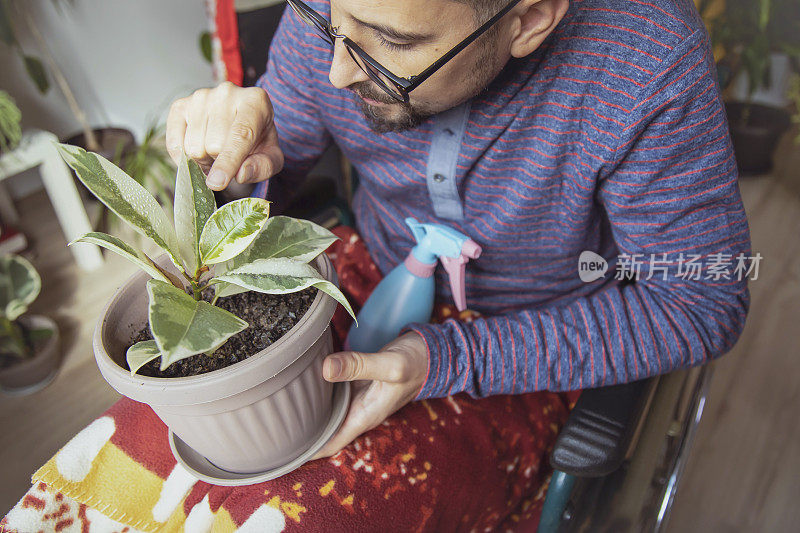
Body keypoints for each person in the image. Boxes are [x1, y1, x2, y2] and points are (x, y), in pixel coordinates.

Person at [166, 0, 749, 514]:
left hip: (535, 344)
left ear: (530, 19)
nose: (338, 71)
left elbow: (700, 303)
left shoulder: (645, 58)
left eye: (392, 42)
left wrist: (448, 358)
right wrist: (230, 172)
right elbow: (271, 174)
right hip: (372, 267)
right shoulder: (341, 25)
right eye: (327, 19)